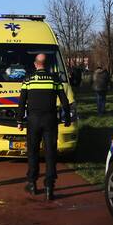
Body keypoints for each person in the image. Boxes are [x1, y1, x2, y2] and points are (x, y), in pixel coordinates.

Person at [17, 53, 71, 200]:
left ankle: (32, 183)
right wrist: (67, 118)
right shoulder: (55, 79)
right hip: (50, 119)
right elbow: (64, 101)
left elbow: (22, 102)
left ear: (36, 64)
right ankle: (49, 186)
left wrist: (20, 120)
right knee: (50, 153)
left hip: (33, 120)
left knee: (33, 152)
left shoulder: (28, 80)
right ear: (46, 65)